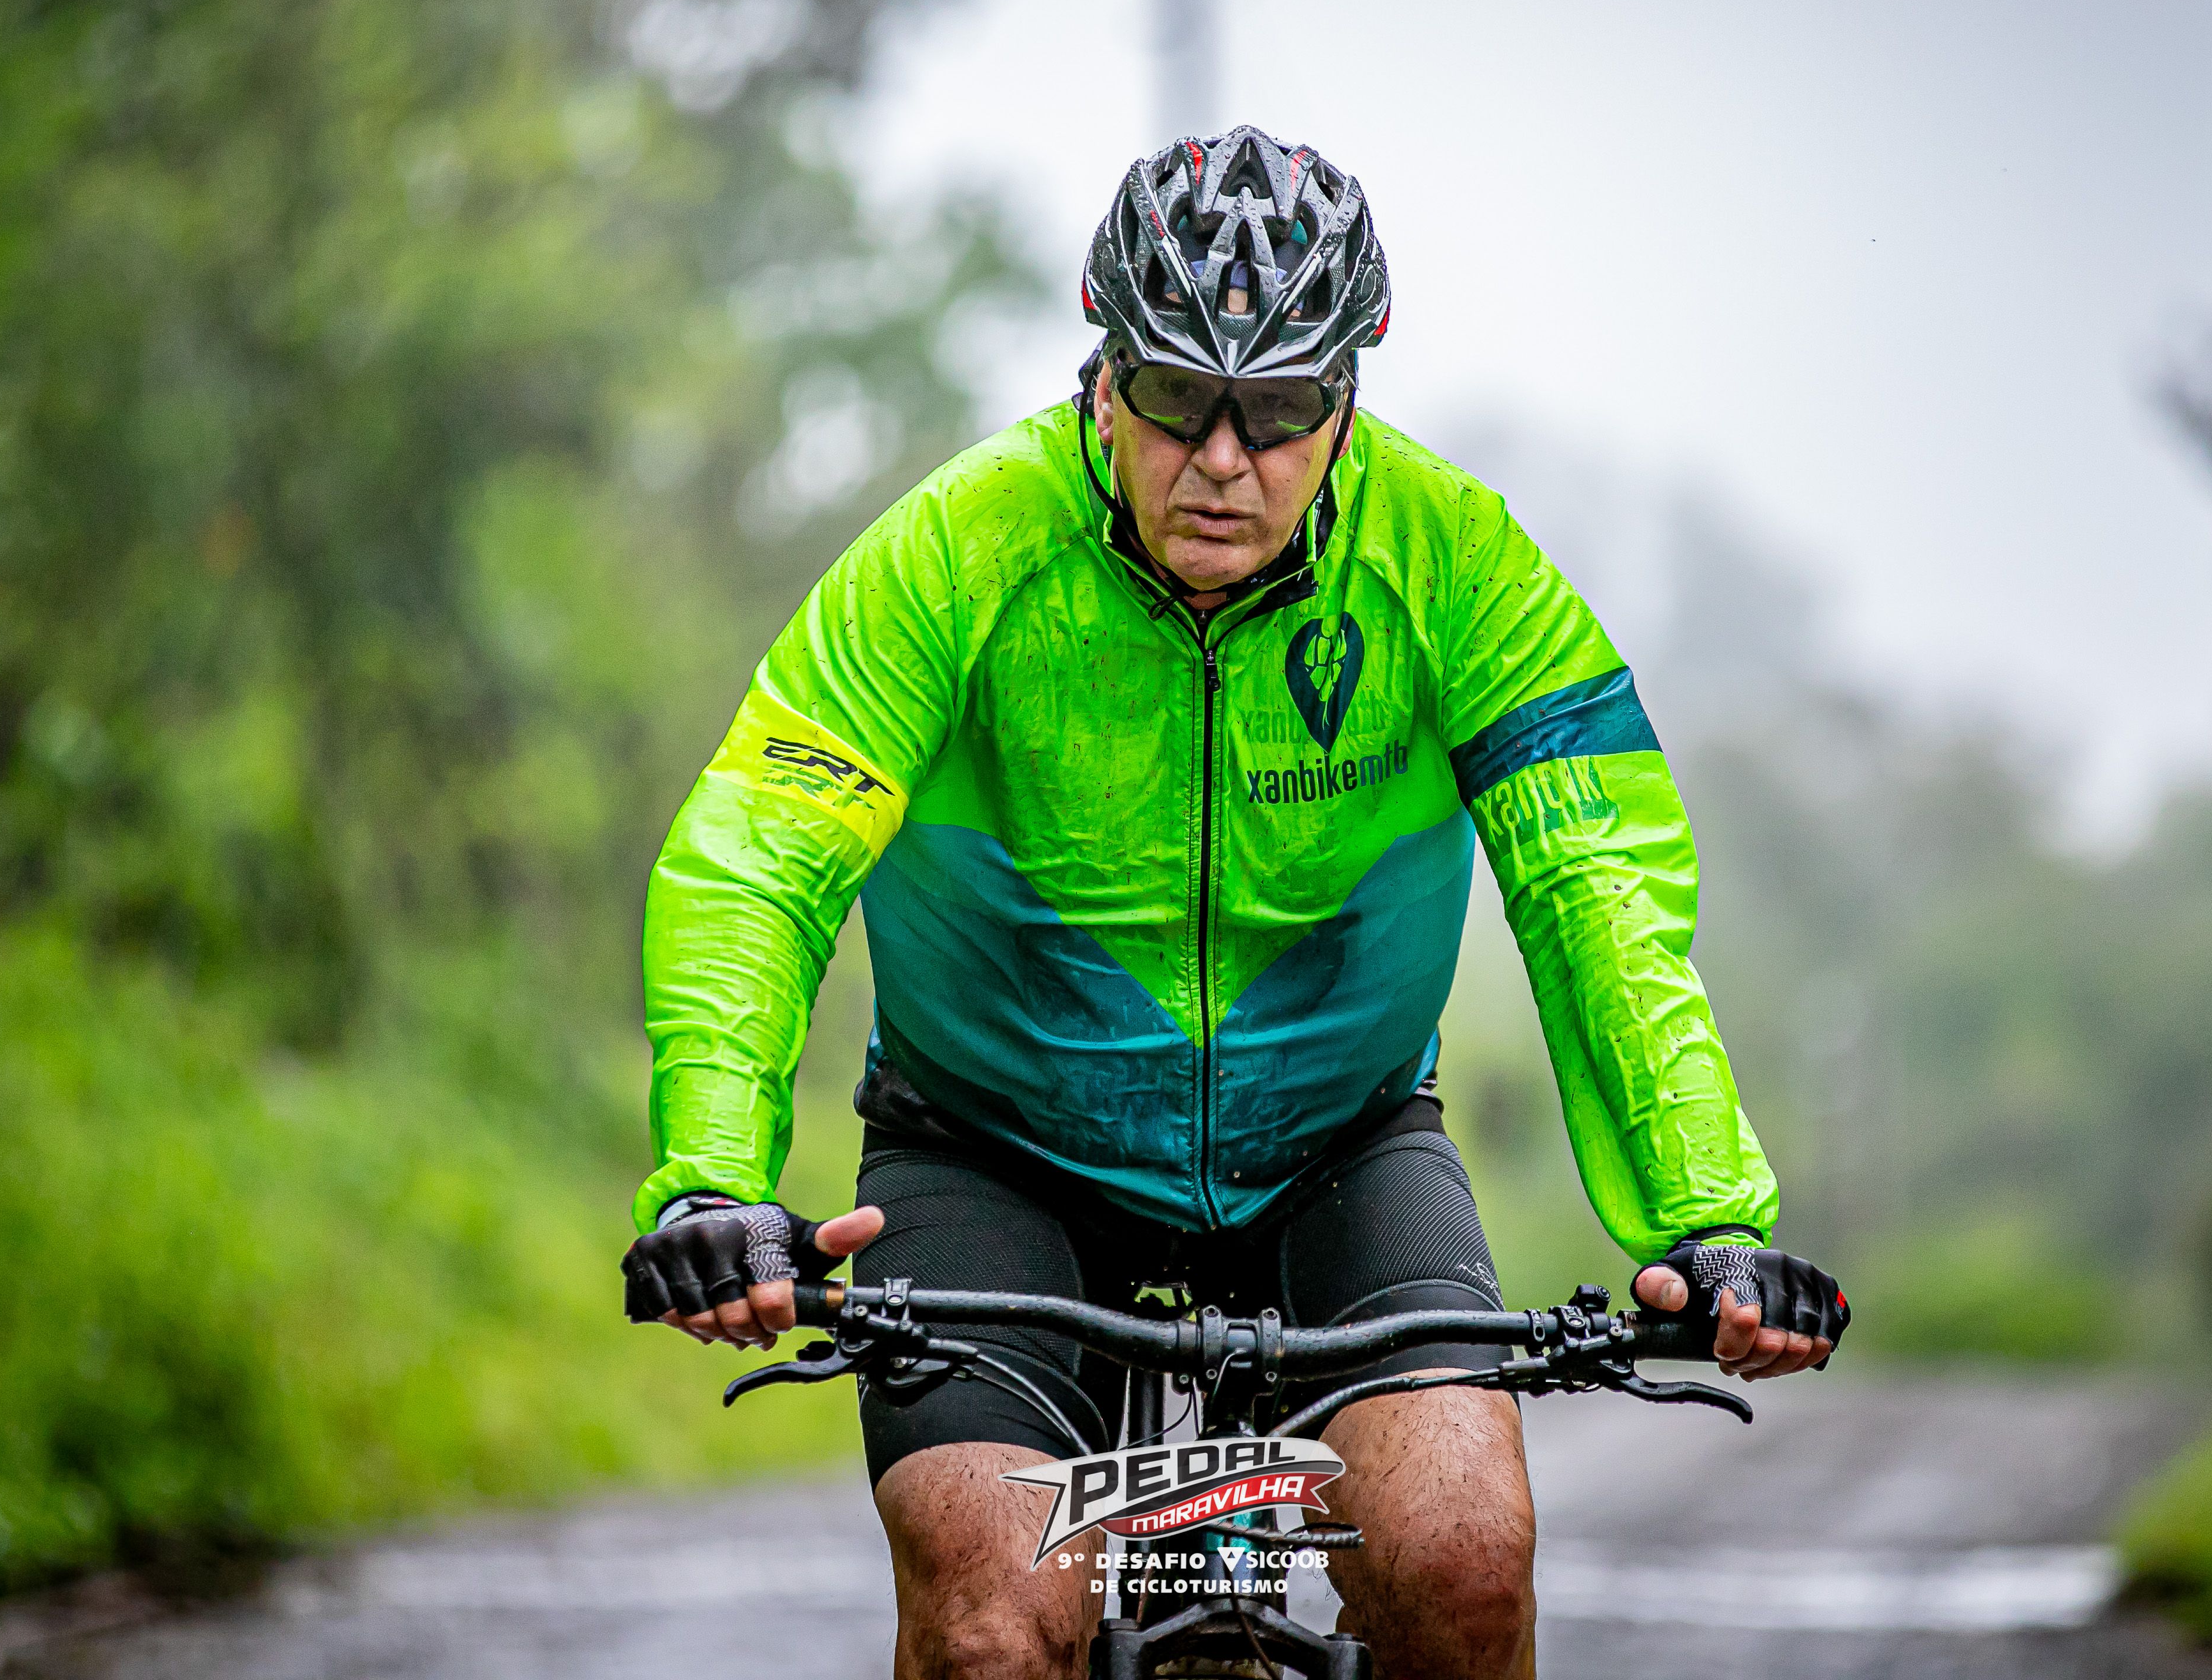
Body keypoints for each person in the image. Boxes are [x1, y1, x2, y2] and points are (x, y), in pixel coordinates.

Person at [618, 125, 1849, 1680]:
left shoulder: (1461, 565)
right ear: (1101, 375)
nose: (1221, 457)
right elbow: (758, 855)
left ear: (1347, 401)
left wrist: (1708, 1218)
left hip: (1338, 1150)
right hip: (992, 1149)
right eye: (1174, 395)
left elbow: (1598, 886)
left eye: (1275, 412)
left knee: (1466, 1566)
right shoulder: (951, 554)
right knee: (995, 1623)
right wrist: (713, 1186)